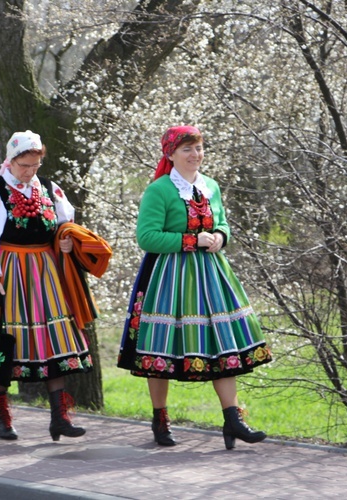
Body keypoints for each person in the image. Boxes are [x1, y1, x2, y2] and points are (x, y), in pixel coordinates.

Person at [116, 125, 273, 450]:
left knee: (223, 345)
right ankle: (160, 417)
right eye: (187, 149)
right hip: (168, 278)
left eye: (199, 148)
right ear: (171, 154)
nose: (195, 155)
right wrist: (190, 241)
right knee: (160, 348)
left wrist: (220, 236)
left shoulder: (210, 186)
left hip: (212, 277)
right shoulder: (159, 190)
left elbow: (223, 222)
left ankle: (233, 419)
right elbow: (146, 237)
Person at [0, 130, 91, 441]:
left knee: (54, 339)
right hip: (7, 272)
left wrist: (65, 242)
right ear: (11, 160)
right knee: (1, 340)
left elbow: (63, 225)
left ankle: (59, 417)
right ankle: (2, 413)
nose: (30, 172)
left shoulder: (48, 189)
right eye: (25, 165)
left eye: (35, 165)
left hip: (45, 273)